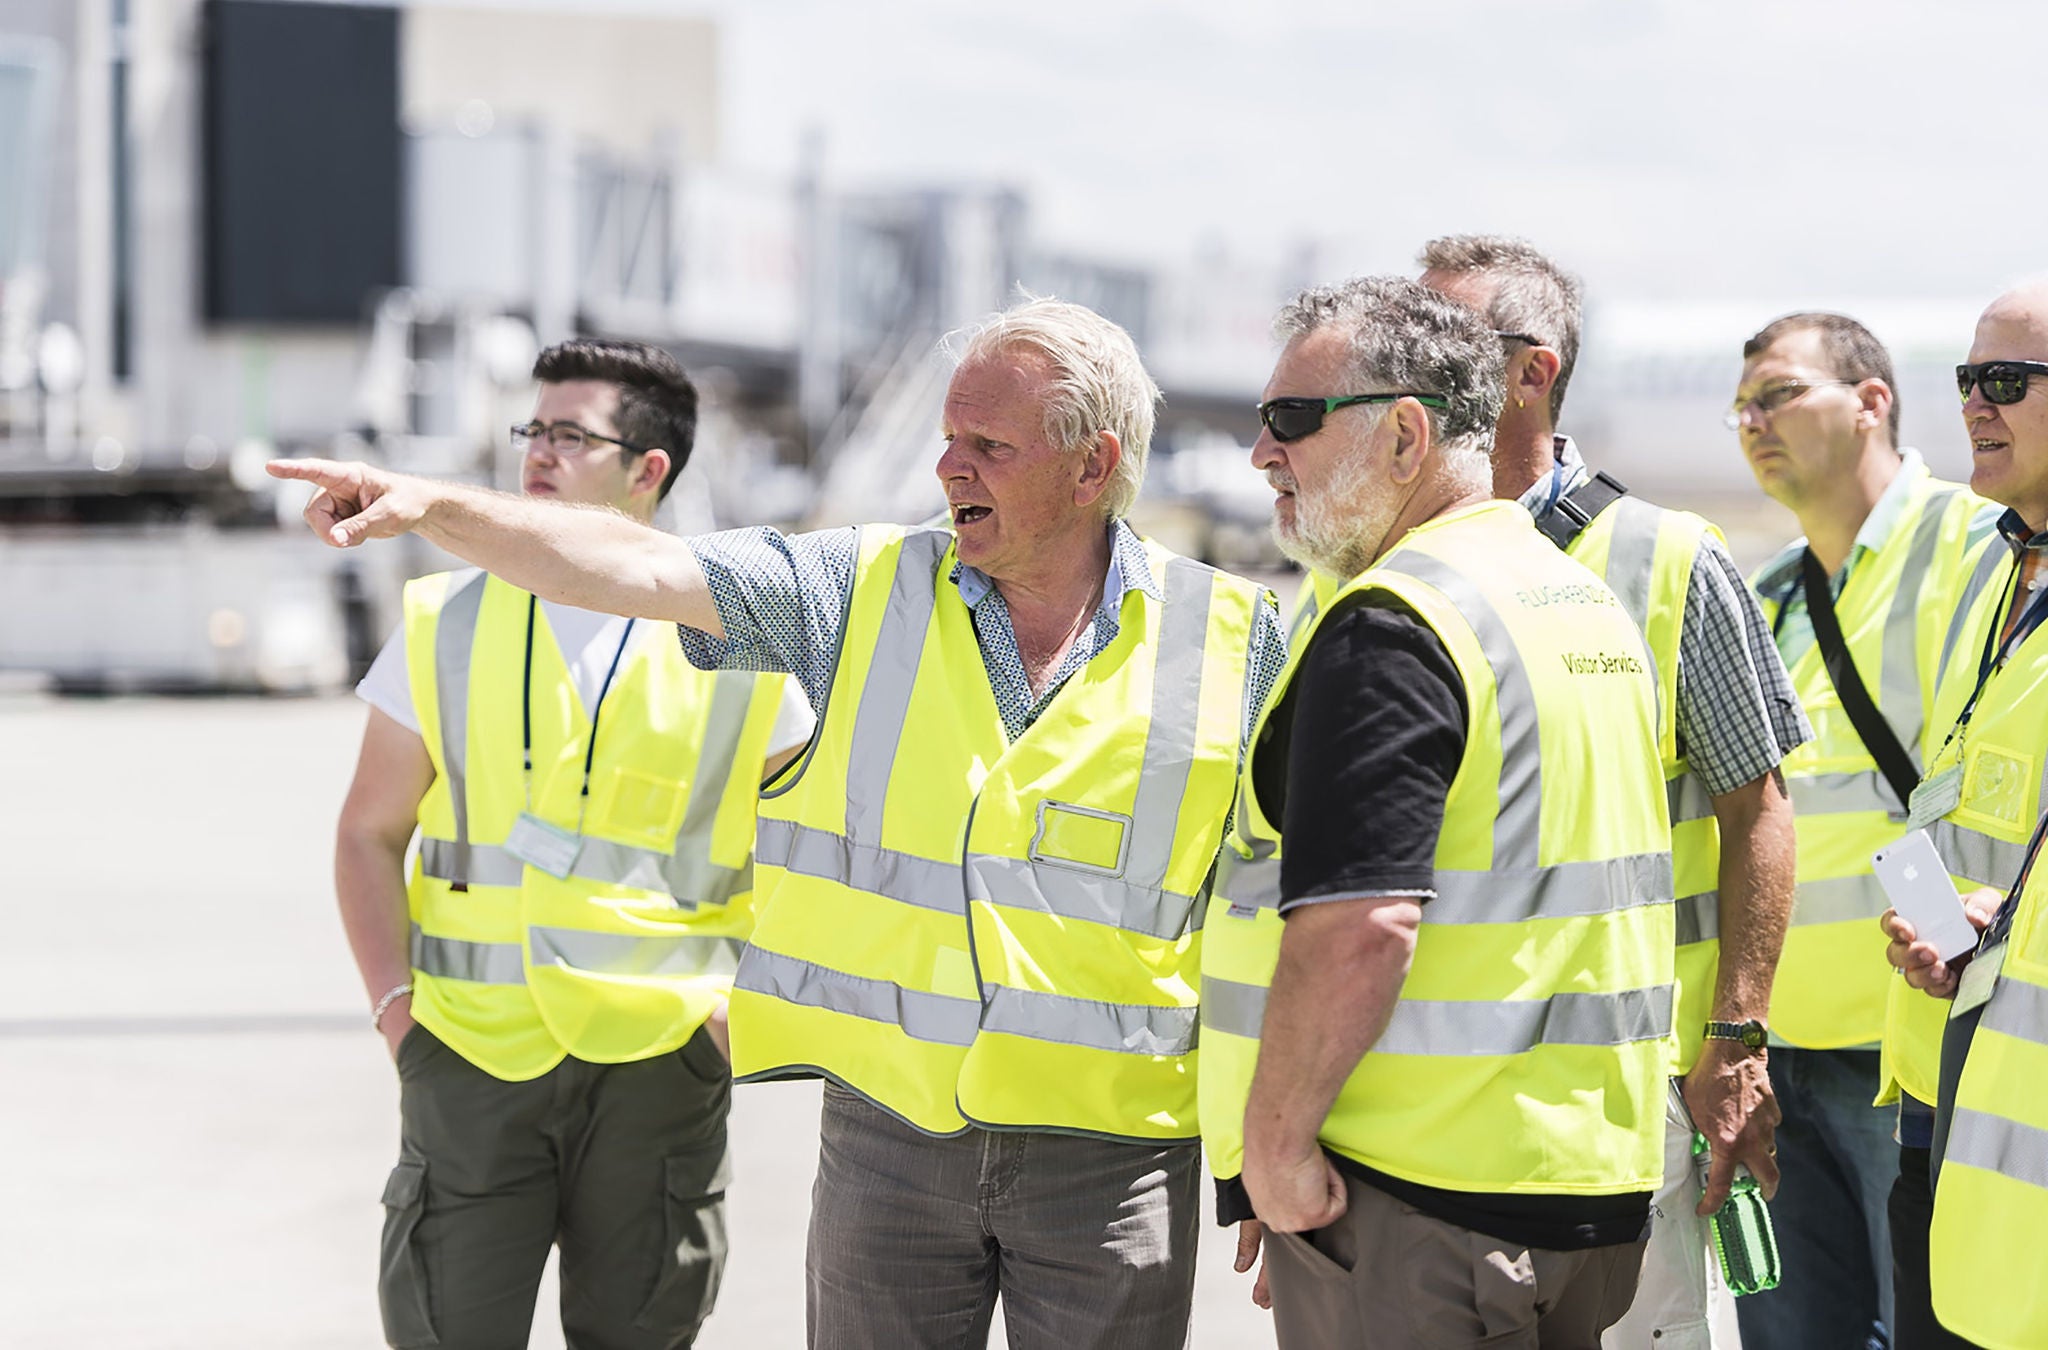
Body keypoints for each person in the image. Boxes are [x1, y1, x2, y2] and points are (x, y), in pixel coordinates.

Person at [274, 298, 1287, 1350]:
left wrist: (1268, 1137)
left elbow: (1278, 910)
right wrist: (432, 506)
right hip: (891, 1146)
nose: (948, 469)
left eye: (987, 446)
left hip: (1113, 1159)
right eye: (945, 438)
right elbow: (635, 567)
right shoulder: (853, 590)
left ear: (1091, 467)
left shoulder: (1235, 641)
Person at [1200, 276, 1675, 1349]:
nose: (1261, 455)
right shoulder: (1573, 599)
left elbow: (1363, 924)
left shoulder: (1394, 624)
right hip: (1581, 1187)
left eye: (1288, 421)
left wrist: (1270, 1148)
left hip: (1421, 1202)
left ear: (1406, 436)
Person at [337, 339, 813, 1350]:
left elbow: (815, 854)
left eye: (570, 434)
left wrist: (735, 1022)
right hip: (468, 1055)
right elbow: (368, 832)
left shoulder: (744, 648)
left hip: (663, 1065)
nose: (537, 454)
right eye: (532, 430)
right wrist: (397, 1016)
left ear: (650, 471)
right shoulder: (441, 620)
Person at [1418, 236, 1804, 1350]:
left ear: (1529, 374)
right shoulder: (1386, 561)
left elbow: (1756, 811)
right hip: (1426, 1113)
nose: (1407, 369)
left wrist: (1735, 1039)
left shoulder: (1664, 559)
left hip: (1625, 1113)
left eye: (1440, 345)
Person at [1736, 312, 1995, 1350]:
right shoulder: (1765, 595)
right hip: (1775, 1050)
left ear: (1870, 401)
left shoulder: (1974, 544)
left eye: (1777, 394)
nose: (1750, 422)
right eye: (1740, 407)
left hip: (1906, 1050)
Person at [1884, 279, 2048, 1350]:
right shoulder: (2000, 567)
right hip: (1941, 1070)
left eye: (2003, 382)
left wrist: (2012, 914)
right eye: (1963, 381)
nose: (1971, 408)